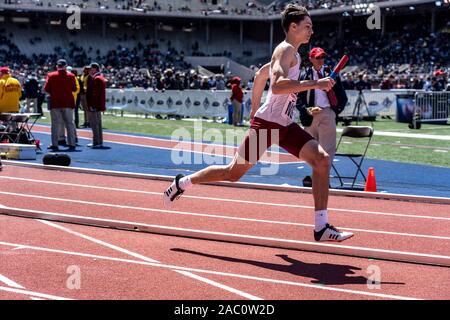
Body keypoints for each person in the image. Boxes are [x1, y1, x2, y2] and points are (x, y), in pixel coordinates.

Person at [163, 4, 353, 242]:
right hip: (268, 125)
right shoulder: (285, 51)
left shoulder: (291, 53)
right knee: (233, 173)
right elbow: (278, 85)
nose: (311, 31)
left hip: (282, 124)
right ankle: (182, 182)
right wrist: (315, 84)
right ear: (293, 27)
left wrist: (254, 109)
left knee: (322, 160)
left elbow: (261, 76)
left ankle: (321, 226)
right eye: (308, 26)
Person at [44, 59, 78, 151]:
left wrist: (54, 92)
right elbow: (74, 89)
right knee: (70, 124)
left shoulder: (51, 75)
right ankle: (72, 143)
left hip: (55, 102)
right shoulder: (71, 76)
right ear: (65, 66)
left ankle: (55, 144)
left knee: (55, 124)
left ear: (57, 66)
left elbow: (46, 89)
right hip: (67, 102)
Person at [86, 62, 106, 149]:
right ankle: (99, 141)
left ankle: (96, 142)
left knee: (95, 124)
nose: (90, 70)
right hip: (97, 105)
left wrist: (92, 105)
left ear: (95, 69)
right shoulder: (98, 78)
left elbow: (95, 94)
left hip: (95, 105)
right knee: (97, 124)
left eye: (91, 69)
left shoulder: (96, 79)